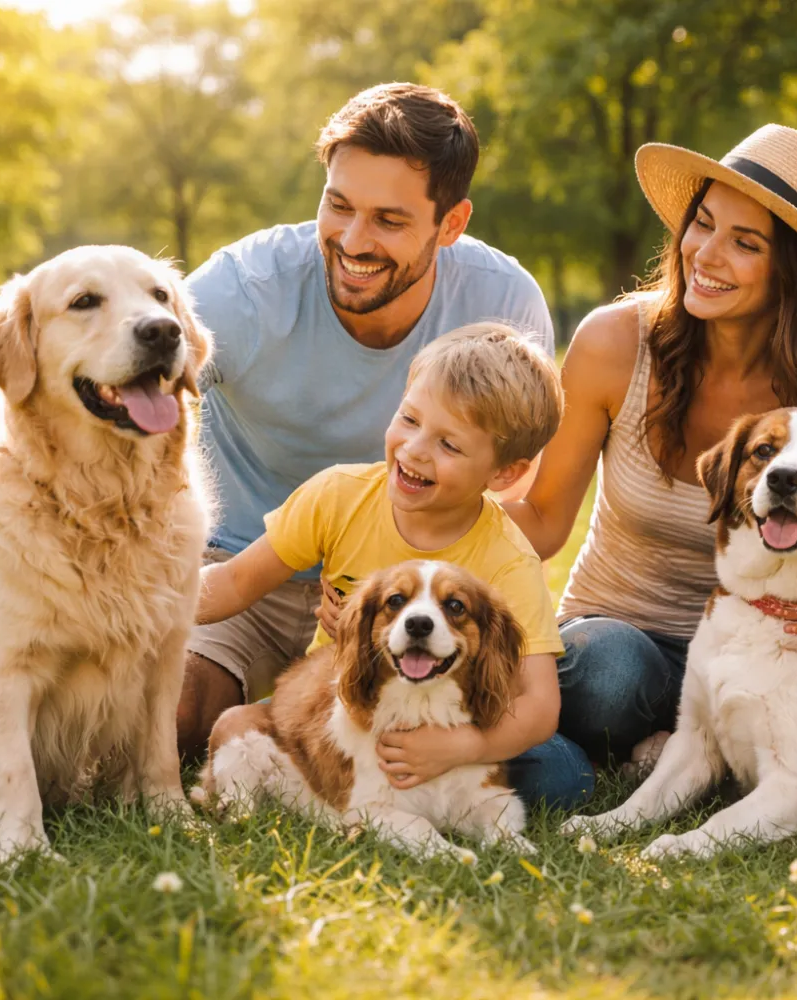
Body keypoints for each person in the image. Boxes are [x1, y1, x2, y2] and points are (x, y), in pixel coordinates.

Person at [502, 124, 797, 767]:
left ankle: (698, 746)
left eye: (745, 242)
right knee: (607, 676)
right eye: (703, 223)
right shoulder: (617, 343)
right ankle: (666, 740)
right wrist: (411, 517)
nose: (705, 253)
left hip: (775, 648)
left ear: (795, 273)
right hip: (624, 638)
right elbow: (541, 520)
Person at [177, 83, 553, 759]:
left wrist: (397, 587)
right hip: (245, 566)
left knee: (537, 763)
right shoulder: (241, 291)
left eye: (389, 220)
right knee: (175, 715)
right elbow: (128, 406)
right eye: (338, 204)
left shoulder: (503, 302)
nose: (352, 240)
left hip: (412, 603)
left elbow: (510, 498)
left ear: (452, 224)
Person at [198, 324, 592, 809]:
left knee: (564, 776)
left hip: (454, 718)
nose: (415, 449)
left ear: (503, 473)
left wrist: (464, 746)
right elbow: (234, 582)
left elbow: (539, 703)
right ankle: (358, 790)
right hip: (343, 711)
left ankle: (419, 788)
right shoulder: (338, 495)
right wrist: (144, 602)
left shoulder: (509, 559)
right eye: (409, 419)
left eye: (449, 445)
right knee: (234, 728)